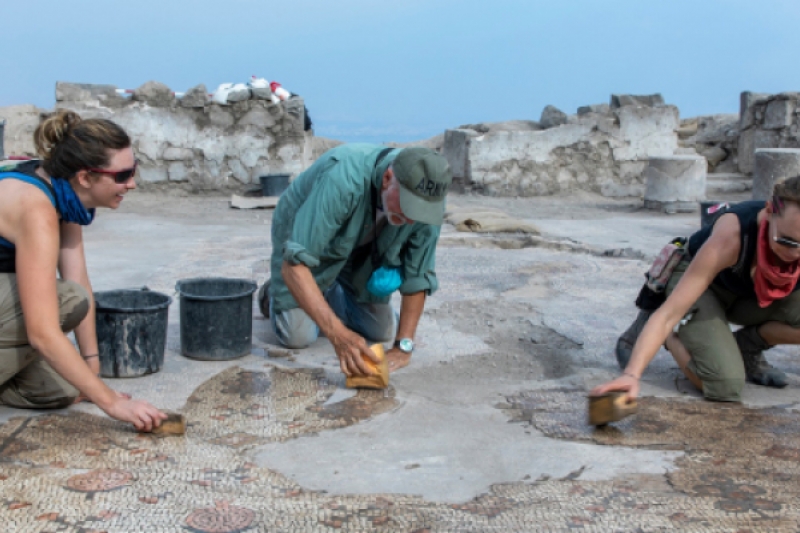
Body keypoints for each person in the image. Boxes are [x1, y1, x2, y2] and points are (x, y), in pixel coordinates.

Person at [0, 110, 166, 431]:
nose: (131, 184)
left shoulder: (65, 195)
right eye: (121, 176)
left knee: (65, 389)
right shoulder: (37, 209)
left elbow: (79, 279)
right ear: (86, 177)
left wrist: (92, 372)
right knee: (64, 301)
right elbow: (43, 331)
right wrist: (112, 403)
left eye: (133, 171)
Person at [592, 177, 800, 403]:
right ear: (769, 211)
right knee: (724, 385)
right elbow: (668, 315)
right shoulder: (732, 236)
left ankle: (746, 348)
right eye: (787, 242)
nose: (796, 254)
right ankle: (672, 336)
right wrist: (631, 375)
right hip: (704, 289)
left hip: (750, 295)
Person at [258, 144, 452, 377]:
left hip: (363, 244)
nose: (412, 219)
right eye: (408, 206)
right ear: (387, 179)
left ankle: (324, 290)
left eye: (420, 211)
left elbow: (418, 275)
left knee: (381, 331)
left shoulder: (429, 202)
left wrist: (404, 346)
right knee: (297, 336)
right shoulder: (342, 180)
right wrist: (339, 336)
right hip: (307, 232)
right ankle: (273, 294)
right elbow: (294, 265)